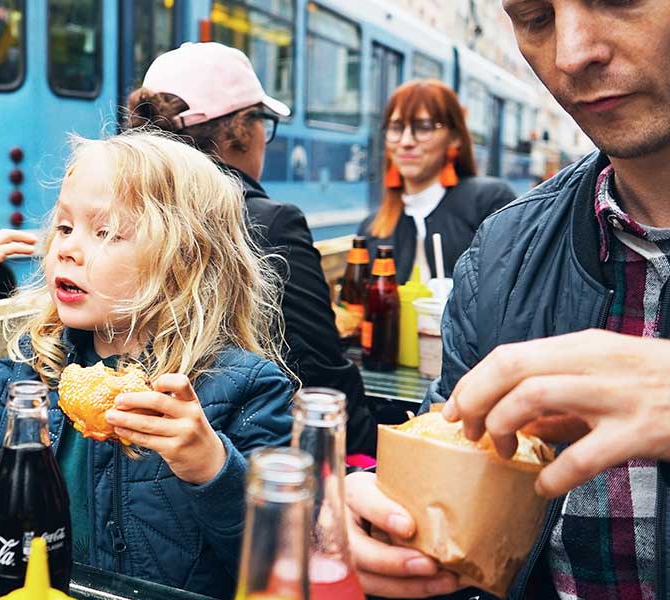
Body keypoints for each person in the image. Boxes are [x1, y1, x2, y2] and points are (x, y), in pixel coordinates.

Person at [344, 1, 670, 598]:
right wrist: (391, 525)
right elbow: (453, 454)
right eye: (534, 17)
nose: (572, 54)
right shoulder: (501, 254)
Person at [0, 131, 296, 596]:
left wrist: (210, 465)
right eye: (63, 227)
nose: (66, 249)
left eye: (105, 232)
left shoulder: (244, 389)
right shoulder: (35, 380)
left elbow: (282, 560)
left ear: (183, 259)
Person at [125, 42, 377, 455]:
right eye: (263, 122)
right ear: (241, 128)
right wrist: (372, 453)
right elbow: (320, 375)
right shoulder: (270, 223)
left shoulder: (124, 214)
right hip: (247, 457)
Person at [359, 80, 516, 284]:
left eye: (424, 127)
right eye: (396, 128)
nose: (406, 141)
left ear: (455, 138)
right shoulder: (372, 228)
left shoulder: (489, 203)